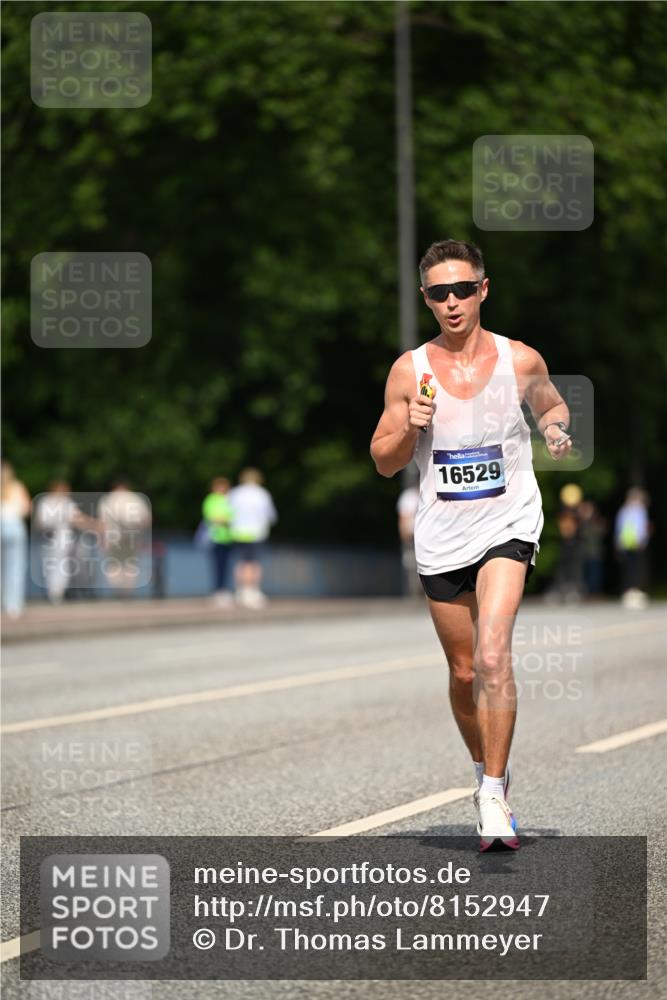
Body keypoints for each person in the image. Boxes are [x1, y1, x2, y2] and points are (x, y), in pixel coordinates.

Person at [370, 239, 572, 851]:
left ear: (483, 289)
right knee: (463, 672)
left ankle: (491, 792)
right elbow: (383, 460)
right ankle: (486, 766)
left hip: (508, 523)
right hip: (442, 534)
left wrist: (555, 430)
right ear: (426, 299)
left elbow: (551, 405)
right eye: (440, 293)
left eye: (463, 289)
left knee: (491, 656)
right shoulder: (410, 370)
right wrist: (410, 427)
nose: (453, 302)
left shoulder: (520, 359)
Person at [228, 468, 277, 609]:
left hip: (238, 532)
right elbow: (271, 515)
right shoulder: (262, 494)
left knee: (241, 562)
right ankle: (252, 591)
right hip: (256, 532)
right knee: (253, 562)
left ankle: (240, 590)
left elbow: (228, 512)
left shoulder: (235, 493)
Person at [33, 480, 88, 603]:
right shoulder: (64, 503)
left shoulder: (45, 501)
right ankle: (55, 593)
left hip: (50, 539)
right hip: (57, 539)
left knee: (52, 566)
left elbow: (38, 522)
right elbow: (78, 520)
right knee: (60, 566)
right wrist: (95, 525)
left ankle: (54, 593)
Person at [97, 480, 152, 596]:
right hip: (133, 536)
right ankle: (127, 591)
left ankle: (118, 590)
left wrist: (103, 539)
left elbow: (103, 523)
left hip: (113, 537)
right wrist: (143, 538)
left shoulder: (109, 499)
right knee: (130, 564)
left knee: (113, 564)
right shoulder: (136, 499)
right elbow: (146, 520)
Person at [0, 461, 31, 618]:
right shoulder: (17, 487)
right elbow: (27, 508)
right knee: (16, 567)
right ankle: (13, 605)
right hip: (15, 526)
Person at [614, 487, 650, 609]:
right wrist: (618, 542)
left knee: (635, 568)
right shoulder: (628, 511)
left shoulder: (634, 510)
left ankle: (635, 590)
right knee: (630, 568)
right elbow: (620, 527)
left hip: (635, 543)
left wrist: (643, 540)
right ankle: (630, 591)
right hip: (629, 543)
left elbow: (642, 527)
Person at [201, 477, 235, 608]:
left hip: (229, 537)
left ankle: (224, 590)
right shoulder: (211, 500)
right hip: (215, 538)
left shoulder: (229, 499)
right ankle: (218, 590)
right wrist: (226, 520)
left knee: (226, 565)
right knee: (217, 565)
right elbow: (212, 518)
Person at [397, 483, 421, 596]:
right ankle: (415, 590)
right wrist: (404, 534)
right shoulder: (409, 496)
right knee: (411, 564)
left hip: (426, 534)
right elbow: (403, 517)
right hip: (412, 536)